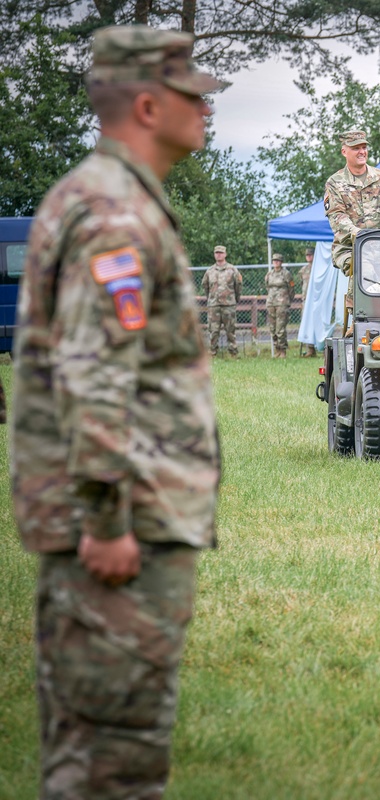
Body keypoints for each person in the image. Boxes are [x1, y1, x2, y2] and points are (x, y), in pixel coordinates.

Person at [9, 25, 222, 798]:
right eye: (191, 95)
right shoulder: (115, 216)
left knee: (87, 748)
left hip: (120, 509)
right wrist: (105, 519)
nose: (206, 109)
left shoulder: (107, 199)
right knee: (113, 763)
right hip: (120, 520)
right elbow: (93, 376)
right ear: (144, 104)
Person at [323, 130, 380, 278]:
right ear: (344, 152)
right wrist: (358, 234)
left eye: (364, 147)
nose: (362, 152)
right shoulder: (334, 183)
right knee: (365, 273)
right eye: (356, 148)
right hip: (351, 247)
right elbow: (337, 217)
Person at [202, 244, 242, 357]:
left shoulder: (232, 270)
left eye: (221, 253)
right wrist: (210, 299)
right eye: (216, 253)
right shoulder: (209, 271)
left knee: (230, 330)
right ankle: (212, 353)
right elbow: (205, 286)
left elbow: (238, 286)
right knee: (213, 331)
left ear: (225, 254)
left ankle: (233, 353)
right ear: (214, 255)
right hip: (214, 305)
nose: (218, 255)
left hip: (228, 305)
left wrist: (235, 299)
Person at [266, 252, 294, 357]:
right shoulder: (269, 274)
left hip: (282, 303)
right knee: (272, 328)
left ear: (281, 262)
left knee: (280, 328)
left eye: (278, 261)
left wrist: (287, 300)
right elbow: (267, 287)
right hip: (271, 303)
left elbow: (291, 288)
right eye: (274, 261)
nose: (276, 263)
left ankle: (282, 350)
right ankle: (277, 348)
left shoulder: (286, 274)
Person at [298, 246, 317, 356]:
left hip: (316, 300)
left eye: (310, 255)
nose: (308, 257)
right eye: (307, 255)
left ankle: (322, 347)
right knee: (307, 324)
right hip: (306, 301)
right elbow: (301, 284)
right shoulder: (303, 270)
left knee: (317, 323)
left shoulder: (318, 268)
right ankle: (310, 349)